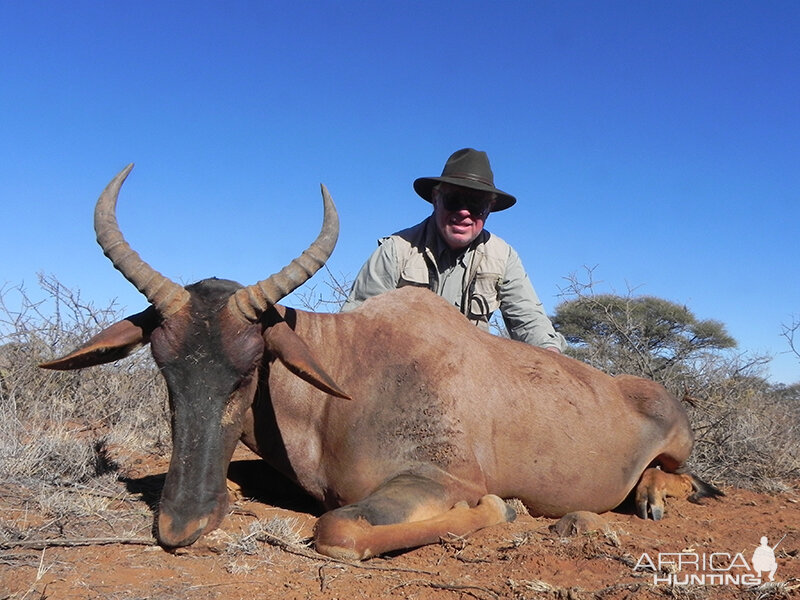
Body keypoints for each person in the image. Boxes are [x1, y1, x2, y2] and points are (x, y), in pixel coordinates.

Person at [342, 148, 566, 352]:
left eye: (476, 204)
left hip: (472, 374)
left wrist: (551, 355)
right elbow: (354, 324)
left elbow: (529, 320)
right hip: (402, 369)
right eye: (454, 200)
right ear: (435, 198)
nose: (464, 212)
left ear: (489, 209)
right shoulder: (396, 250)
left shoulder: (503, 256)